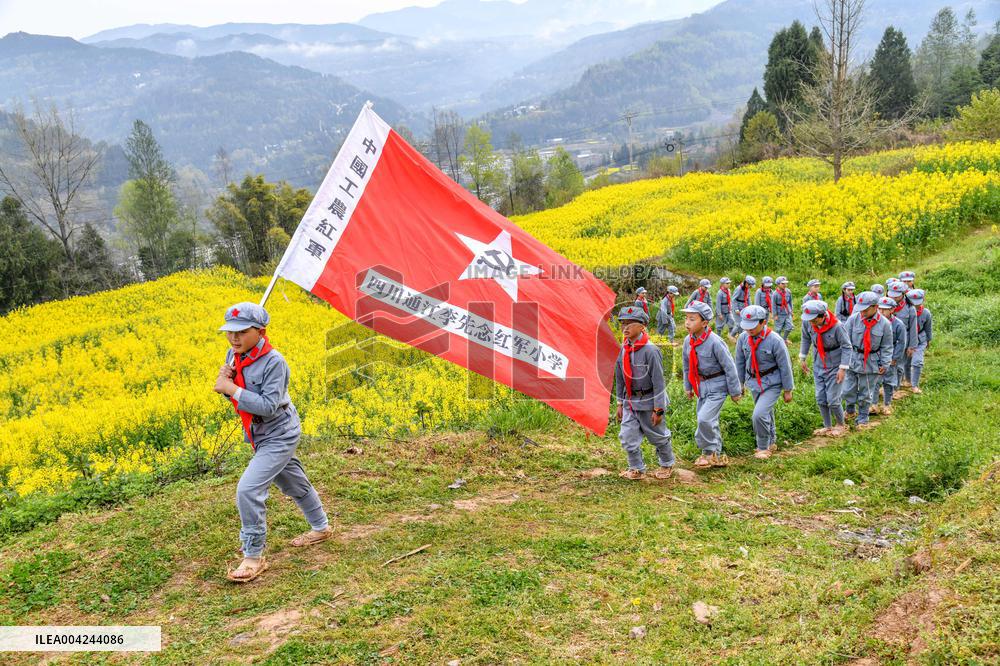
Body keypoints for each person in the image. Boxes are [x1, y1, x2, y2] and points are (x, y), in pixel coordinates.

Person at [214, 302, 332, 584]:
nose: (234, 338)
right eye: (230, 332)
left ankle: (253, 556)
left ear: (260, 331)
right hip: (260, 434)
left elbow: (267, 405)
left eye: (242, 332)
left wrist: (232, 389)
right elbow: (237, 395)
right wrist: (226, 383)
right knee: (293, 482)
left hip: (280, 431)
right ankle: (322, 528)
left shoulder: (274, 362)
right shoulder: (234, 355)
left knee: (248, 489)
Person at [614, 305, 675, 480]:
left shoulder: (651, 350)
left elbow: (659, 382)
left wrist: (659, 409)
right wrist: (619, 403)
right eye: (623, 323)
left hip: (649, 400)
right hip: (630, 401)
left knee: (657, 436)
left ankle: (667, 463)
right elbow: (619, 377)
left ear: (642, 327)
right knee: (627, 436)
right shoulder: (623, 348)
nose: (625, 327)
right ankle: (636, 468)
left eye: (631, 323)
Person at [680, 301, 743, 468]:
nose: (687, 323)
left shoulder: (715, 342)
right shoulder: (688, 341)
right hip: (701, 386)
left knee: (704, 419)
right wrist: (688, 387)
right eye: (686, 318)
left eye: (692, 319)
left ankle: (708, 453)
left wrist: (735, 391)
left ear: (705, 323)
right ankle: (717, 453)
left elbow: (729, 367)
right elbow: (687, 367)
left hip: (718, 385)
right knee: (709, 420)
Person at [734, 305, 795, 459]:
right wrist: (739, 384)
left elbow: (785, 365)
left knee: (759, 414)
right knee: (766, 412)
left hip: (772, 382)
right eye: (746, 327)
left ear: (763, 322)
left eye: (753, 326)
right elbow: (739, 363)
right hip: (753, 381)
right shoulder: (743, 338)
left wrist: (788, 389)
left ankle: (762, 447)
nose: (749, 330)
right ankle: (771, 441)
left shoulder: (775, 340)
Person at [841, 291, 894, 429]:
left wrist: (885, 362)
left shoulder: (885, 324)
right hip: (853, 358)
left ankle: (863, 418)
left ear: (875, 307)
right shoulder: (853, 320)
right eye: (860, 309)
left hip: (872, 361)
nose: (862, 312)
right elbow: (845, 341)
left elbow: (887, 346)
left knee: (866, 392)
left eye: (865, 309)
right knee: (847, 390)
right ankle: (850, 410)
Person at [799, 300, 850, 437]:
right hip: (819, 363)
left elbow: (847, 346)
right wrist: (803, 357)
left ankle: (840, 425)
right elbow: (805, 338)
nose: (811, 323)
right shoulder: (808, 322)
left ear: (822, 316)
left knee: (833, 399)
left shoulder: (837, 326)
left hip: (835, 365)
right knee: (820, 398)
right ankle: (827, 426)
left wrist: (843, 368)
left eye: (814, 320)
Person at [872, 296, 906, 415]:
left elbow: (901, 343)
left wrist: (894, 358)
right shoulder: (875, 322)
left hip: (890, 356)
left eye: (884, 309)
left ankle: (887, 404)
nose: (881, 312)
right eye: (879, 309)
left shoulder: (898, 324)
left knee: (888, 381)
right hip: (876, 355)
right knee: (875, 381)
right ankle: (873, 404)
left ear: (892, 310)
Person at [889, 282, 917, 392]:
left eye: (897, 295)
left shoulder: (910, 308)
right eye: (892, 294)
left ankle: (896, 388)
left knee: (899, 366)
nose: (894, 297)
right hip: (888, 341)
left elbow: (913, 328)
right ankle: (887, 386)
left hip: (903, 341)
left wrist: (912, 346)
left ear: (903, 294)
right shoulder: (884, 306)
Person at [908, 289, 932, 394]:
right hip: (907, 339)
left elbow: (928, 327)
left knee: (917, 362)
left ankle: (914, 385)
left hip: (920, 340)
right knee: (906, 362)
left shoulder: (926, 313)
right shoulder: (905, 312)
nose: (916, 305)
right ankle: (906, 380)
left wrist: (928, 340)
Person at [773, 276, 794, 342]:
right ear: (778, 284)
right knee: (778, 329)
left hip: (787, 311)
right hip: (779, 313)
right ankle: (778, 341)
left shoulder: (788, 291)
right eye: (783, 284)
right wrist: (775, 315)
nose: (785, 285)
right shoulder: (775, 294)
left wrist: (791, 311)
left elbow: (790, 301)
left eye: (786, 283)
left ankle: (784, 339)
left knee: (789, 327)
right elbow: (773, 304)